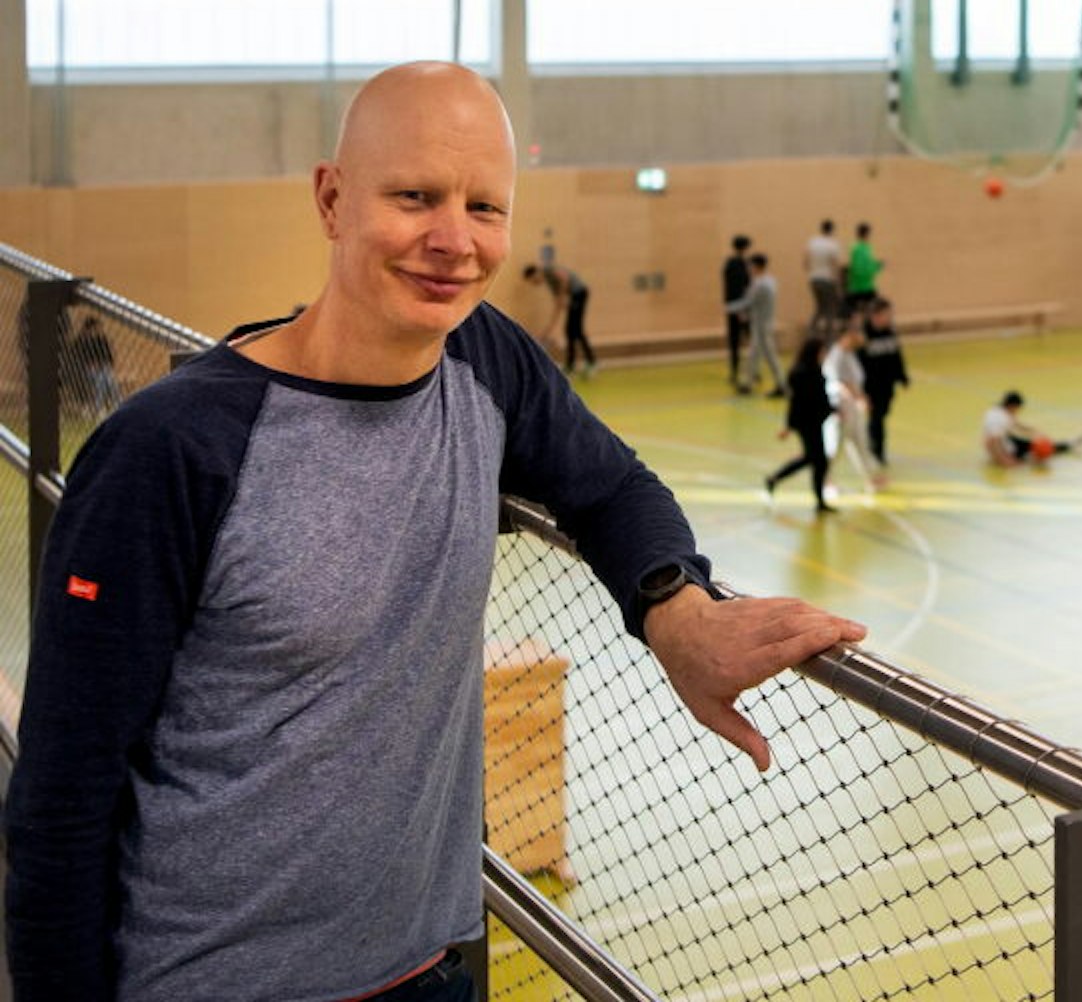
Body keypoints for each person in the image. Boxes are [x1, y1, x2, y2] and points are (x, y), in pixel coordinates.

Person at [3, 62, 866, 1002]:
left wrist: (678, 612)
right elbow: (61, 796)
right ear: (332, 200)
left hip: (427, 971)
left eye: (484, 207)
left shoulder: (483, 358)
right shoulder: (172, 450)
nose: (454, 241)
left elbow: (613, 486)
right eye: (414, 197)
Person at [765, 337, 837, 514]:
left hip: (816, 422)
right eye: (822, 352)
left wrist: (832, 409)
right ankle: (819, 501)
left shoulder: (815, 370)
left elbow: (820, 399)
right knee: (819, 460)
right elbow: (797, 403)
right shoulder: (802, 374)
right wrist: (789, 426)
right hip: (807, 424)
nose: (824, 355)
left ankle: (774, 479)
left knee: (811, 458)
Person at [822, 323, 884, 488]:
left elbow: (855, 380)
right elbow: (840, 383)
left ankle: (869, 478)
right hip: (839, 407)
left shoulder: (849, 354)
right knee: (835, 446)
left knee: (859, 441)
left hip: (853, 406)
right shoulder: (836, 356)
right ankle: (824, 477)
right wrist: (858, 399)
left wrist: (860, 398)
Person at [724, 252, 784, 397]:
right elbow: (754, 304)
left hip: (761, 325)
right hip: (761, 324)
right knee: (754, 355)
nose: (749, 269)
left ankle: (781, 385)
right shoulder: (769, 281)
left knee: (769, 356)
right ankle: (748, 384)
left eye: (751, 266)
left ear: (757, 266)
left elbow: (749, 302)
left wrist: (729, 308)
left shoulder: (761, 284)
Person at [522, 260, 595, 377]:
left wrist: (564, 295)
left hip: (579, 293)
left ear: (536, 272)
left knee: (576, 330)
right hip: (573, 296)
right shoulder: (551, 284)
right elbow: (558, 306)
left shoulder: (548, 270)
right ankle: (572, 365)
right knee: (571, 331)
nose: (534, 283)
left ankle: (590, 363)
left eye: (533, 280)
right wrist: (549, 330)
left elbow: (564, 278)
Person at [860, 298, 910, 466]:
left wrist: (902, 376)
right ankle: (876, 450)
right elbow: (857, 364)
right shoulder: (863, 335)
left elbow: (896, 356)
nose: (889, 317)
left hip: (887, 384)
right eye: (886, 314)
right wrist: (861, 389)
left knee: (882, 414)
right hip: (870, 386)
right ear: (875, 315)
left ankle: (874, 447)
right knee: (876, 418)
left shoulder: (890, 332)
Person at [982, 390, 1075, 468]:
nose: (1017, 411)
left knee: (1033, 445)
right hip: (1003, 447)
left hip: (1005, 441)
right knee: (1037, 452)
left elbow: (1018, 425)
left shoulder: (998, 410)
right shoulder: (999, 418)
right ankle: (1068, 445)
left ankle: (1066, 445)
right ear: (1012, 405)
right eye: (1017, 408)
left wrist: (1035, 431)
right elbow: (994, 441)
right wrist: (1004, 460)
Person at [722, 234, 753, 393]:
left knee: (734, 340)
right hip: (741, 306)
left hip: (731, 306)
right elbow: (744, 286)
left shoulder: (728, 263)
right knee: (748, 339)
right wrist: (742, 309)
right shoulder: (742, 265)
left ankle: (735, 371)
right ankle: (749, 371)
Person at [804, 219, 844, 340]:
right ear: (832, 230)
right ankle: (829, 339)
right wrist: (839, 284)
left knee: (820, 307)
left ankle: (811, 331)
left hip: (814, 279)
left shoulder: (812, 242)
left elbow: (806, 263)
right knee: (830, 310)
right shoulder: (833, 244)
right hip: (827, 280)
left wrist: (814, 271)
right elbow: (835, 265)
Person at [844, 221, 884, 320]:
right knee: (870, 310)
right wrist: (876, 267)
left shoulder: (861, 248)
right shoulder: (861, 249)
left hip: (860, 285)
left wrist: (877, 265)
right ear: (866, 234)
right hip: (862, 286)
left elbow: (866, 265)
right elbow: (860, 268)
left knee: (863, 312)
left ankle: (865, 326)